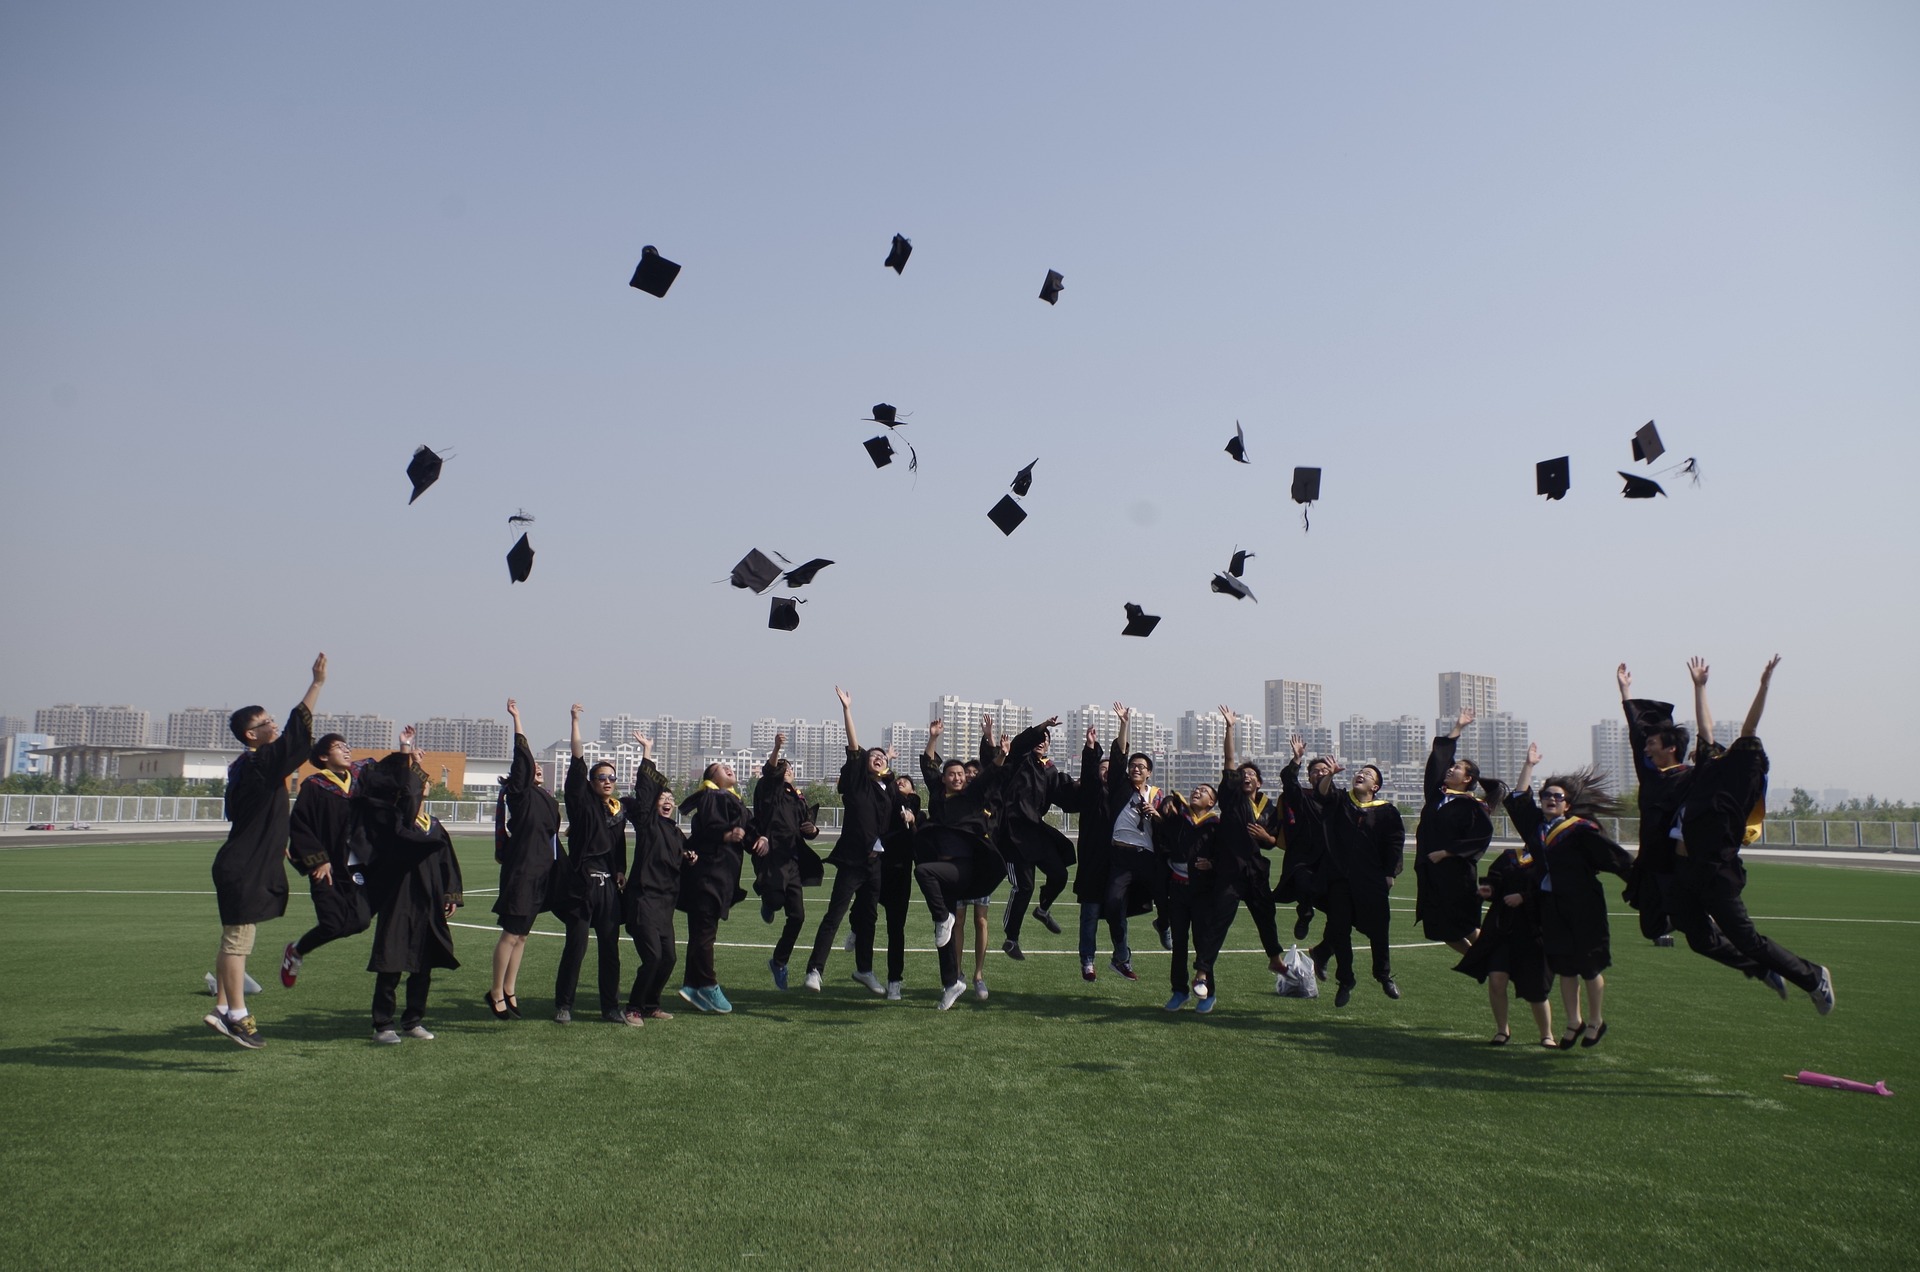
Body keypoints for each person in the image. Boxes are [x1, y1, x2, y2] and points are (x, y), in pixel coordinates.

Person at [1666, 656, 1834, 1013]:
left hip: (1715, 873)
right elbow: (1705, 728)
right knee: (1697, 937)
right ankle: (1762, 970)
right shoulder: (1706, 773)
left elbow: (1749, 728)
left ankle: (1813, 977)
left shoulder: (1733, 791)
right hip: (1686, 872)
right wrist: (1699, 687)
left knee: (1747, 939)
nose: (1709, 752)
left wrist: (1763, 686)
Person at [205, 653, 326, 1049]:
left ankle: (222, 1006)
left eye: (271, 719)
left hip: (240, 863)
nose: (273, 725)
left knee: (233, 940)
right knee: (237, 944)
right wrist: (316, 684)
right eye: (265, 723)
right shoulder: (260, 765)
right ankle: (237, 1017)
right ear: (250, 735)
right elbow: (295, 737)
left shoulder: (246, 767)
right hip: (244, 868)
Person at [1506, 744, 1633, 1048]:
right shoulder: (1537, 828)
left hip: (1584, 905)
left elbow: (1617, 860)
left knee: (1588, 965)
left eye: (1558, 796)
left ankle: (1595, 1020)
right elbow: (1518, 799)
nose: (1551, 799)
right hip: (1552, 905)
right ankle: (1574, 1020)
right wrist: (1528, 765)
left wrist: (1640, 885)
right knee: (1564, 965)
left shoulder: (1581, 830)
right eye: (1546, 795)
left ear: (1568, 805)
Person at [356, 729, 463, 1044]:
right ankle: (383, 1025)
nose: (423, 783)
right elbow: (405, 791)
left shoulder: (434, 826)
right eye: (418, 781)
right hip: (399, 899)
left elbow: (447, 863)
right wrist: (407, 754)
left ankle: (413, 1020)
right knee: (391, 963)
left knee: (422, 965)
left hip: (428, 901)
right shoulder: (398, 824)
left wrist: (450, 894)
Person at [803, 687, 896, 994]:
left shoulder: (886, 790)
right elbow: (855, 747)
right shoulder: (858, 783)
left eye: (882, 757)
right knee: (835, 915)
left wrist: (888, 760)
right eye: (874, 756)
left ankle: (865, 970)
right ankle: (815, 970)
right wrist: (847, 710)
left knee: (868, 918)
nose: (878, 759)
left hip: (875, 864)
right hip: (853, 861)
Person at [1188, 708, 1283, 1006]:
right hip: (1230, 872)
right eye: (1243, 774)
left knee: (1266, 916)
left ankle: (1275, 958)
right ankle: (1201, 973)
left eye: (1252, 774)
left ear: (1260, 783)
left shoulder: (1269, 809)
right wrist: (1230, 728)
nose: (1246, 776)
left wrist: (1267, 837)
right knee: (1219, 922)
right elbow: (1229, 760)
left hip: (1255, 871)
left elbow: (1276, 843)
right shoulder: (1231, 797)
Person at [1297, 753, 1405, 1008]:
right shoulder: (1341, 801)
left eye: (1368, 775)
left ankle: (1383, 974)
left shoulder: (1387, 811)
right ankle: (1345, 980)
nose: (1361, 775)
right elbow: (1322, 793)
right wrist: (1331, 775)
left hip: (1371, 879)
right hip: (1340, 879)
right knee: (1340, 929)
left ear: (1375, 787)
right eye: (1360, 772)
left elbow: (1394, 844)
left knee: (1379, 928)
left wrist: (1390, 873)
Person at [915, 719, 1008, 1009]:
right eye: (952, 774)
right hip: (944, 872)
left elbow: (989, 775)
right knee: (942, 935)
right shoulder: (938, 795)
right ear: (944, 778)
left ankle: (945, 921)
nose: (957, 778)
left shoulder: (972, 796)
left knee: (923, 872)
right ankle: (951, 982)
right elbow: (928, 766)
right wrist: (933, 738)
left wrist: (1001, 754)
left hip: (964, 869)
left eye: (960, 775)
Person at [553, 704, 631, 1025]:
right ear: (591, 781)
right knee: (576, 946)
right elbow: (577, 758)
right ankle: (563, 1005)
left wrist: (621, 870)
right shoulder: (581, 802)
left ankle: (610, 1008)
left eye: (612, 777)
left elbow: (619, 844)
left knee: (610, 950)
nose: (608, 781)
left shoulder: (616, 811)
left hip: (609, 887)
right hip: (582, 884)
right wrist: (574, 721)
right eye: (602, 777)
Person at [280, 731, 372, 989]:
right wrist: (318, 860)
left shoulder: (359, 779)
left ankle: (297, 950)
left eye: (347, 746)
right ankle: (296, 952)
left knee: (361, 921)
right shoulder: (314, 786)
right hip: (326, 867)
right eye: (339, 747)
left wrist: (406, 751)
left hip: (355, 865)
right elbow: (300, 825)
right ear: (323, 756)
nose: (346, 750)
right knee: (332, 923)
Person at [677, 750, 767, 1014]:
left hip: (720, 876)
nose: (728, 767)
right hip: (708, 875)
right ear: (711, 778)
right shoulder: (712, 796)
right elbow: (708, 827)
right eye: (720, 766)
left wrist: (760, 839)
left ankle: (692, 986)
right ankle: (708, 984)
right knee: (705, 933)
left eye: (728, 765)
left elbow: (747, 832)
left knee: (701, 932)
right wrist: (725, 834)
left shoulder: (732, 799)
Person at [1452, 826, 1557, 1047]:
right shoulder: (1510, 856)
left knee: (1536, 988)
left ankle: (1546, 1034)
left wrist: (1524, 897)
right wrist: (1489, 889)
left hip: (1534, 932)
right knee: (1497, 979)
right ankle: (1502, 1030)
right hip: (1503, 929)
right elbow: (1495, 879)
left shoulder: (1550, 861)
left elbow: (1553, 894)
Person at [489, 699, 560, 1020]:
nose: (538, 768)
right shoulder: (519, 794)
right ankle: (495, 991)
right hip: (521, 872)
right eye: (534, 766)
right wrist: (517, 719)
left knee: (522, 936)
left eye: (541, 767)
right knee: (511, 933)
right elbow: (522, 758)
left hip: (540, 875)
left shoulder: (547, 800)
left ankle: (510, 989)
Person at [1413, 708, 1499, 956]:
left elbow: (1481, 837)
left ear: (1467, 778)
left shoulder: (1474, 806)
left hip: (1456, 876)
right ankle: (1481, 962)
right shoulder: (1437, 797)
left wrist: (1448, 852)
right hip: (1431, 874)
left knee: (1465, 926)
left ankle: (1497, 960)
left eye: (1458, 768)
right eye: (1452, 767)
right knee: (1440, 929)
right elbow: (1438, 761)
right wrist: (1457, 728)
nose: (1450, 769)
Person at [623, 733, 696, 1022]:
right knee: (652, 957)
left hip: (665, 904)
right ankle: (633, 1007)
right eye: (662, 798)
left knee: (668, 958)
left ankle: (651, 1005)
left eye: (671, 799)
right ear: (654, 804)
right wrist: (648, 751)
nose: (667, 802)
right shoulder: (647, 823)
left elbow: (679, 857)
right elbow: (644, 792)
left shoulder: (676, 832)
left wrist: (689, 857)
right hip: (643, 900)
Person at [1095, 706, 1171, 981]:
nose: (1136, 769)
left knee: (1165, 894)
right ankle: (1121, 953)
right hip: (1121, 856)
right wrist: (1123, 724)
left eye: (1141, 767)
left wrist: (1156, 815)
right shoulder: (1121, 787)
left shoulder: (1158, 795)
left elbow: (1170, 828)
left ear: (1149, 773)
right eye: (1133, 766)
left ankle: (1163, 924)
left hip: (1147, 856)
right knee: (1113, 904)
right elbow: (1119, 755)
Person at [1617, 663, 1690, 947]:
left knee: (1687, 918)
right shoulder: (1650, 775)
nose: (1646, 749)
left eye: (1653, 744)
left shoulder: (1689, 778)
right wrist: (1625, 691)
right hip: (1649, 860)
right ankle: (1683, 917)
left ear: (1671, 747)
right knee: (1651, 928)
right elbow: (1637, 736)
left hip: (1675, 862)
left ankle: (1699, 916)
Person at [996, 714, 1079, 959]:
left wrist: (1085, 786)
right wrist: (1043, 726)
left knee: (1060, 875)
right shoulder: (1018, 760)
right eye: (1039, 738)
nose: (1042, 742)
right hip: (1013, 833)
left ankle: (1042, 909)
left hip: (1036, 831)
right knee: (1024, 886)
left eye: (1046, 739)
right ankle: (1011, 939)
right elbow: (1020, 743)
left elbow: (1064, 795)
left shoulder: (1050, 770)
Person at [751, 732, 822, 991]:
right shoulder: (768, 789)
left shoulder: (796, 796)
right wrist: (777, 748)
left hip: (792, 860)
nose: (788, 770)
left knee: (798, 916)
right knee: (775, 900)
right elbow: (770, 772)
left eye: (790, 767)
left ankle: (779, 962)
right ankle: (767, 900)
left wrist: (813, 830)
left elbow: (808, 825)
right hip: (772, 856)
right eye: (784, 767)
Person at [1157, 782, 1217, 1011]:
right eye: (1196, 789)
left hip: (1202, 892)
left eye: (1204, 791)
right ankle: (1179, 991)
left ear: (1211, 802)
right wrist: (1167, 803)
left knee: (1203, 942)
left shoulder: (1215, 825)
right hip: (1178, 889)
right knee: (1179, 942)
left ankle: (1208, 992)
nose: (1197, 792)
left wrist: (1212, 863)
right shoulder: (1181, 818)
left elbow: (1224, 854)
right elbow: (1166, 812)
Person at [1276, 753, 1332, 941]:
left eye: (1324, 770)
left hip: (1330, 858)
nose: (1320, 773)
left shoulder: (1340, 799)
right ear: (1309, 778)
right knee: (1302, 881)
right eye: (1315, 771)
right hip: (1303, 857)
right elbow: (1289, 781)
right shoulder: (1303, 797)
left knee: (1338, 907)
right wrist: (1297, 759)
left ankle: (1325, 948)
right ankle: (1305, 912)